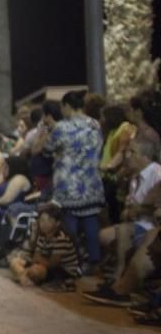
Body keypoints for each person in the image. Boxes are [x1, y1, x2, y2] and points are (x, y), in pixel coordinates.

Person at [34, 91, 105, 268]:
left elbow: (47, 150)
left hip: (68, 184)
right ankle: (94, 259)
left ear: (67, 106)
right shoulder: (95, 124)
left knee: (69, 223)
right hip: (91, 182)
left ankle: (71, 262)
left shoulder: (62, 128)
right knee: (90, 220)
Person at [98, 138, 161, 280]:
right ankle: (125, 268)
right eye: (128, 151)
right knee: (104, 235)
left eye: (133, 152)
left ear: (145, 157)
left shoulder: (157, 174)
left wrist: (138, 210)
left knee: (123, 231)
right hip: (138, 222)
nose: (127, 156)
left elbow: (156, 207)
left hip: (151, 225)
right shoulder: (134, 176)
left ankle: (120, 273)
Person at [9, 201, 81, 289]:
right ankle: (27, 278)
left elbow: (53, 264)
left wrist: (37, 262)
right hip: (44, 265)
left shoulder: (61, 238)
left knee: (36, 270)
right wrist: (38, 260)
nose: (44, 224)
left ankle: (25, 277)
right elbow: (36, 256)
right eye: (42, 220)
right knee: (15, 261)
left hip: (62, 271)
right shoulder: (42, 235)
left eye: (49, 220)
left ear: (57, 223)